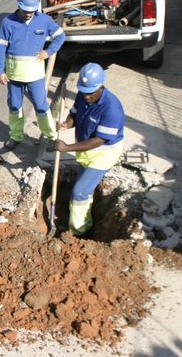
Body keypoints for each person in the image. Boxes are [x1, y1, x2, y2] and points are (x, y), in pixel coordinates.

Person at [54, 63, 125, 235]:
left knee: (79, 192)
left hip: (103, 153)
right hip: (84, 149)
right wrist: (66, 124)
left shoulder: (112, 109)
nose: (86, 97)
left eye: (91, 93)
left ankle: (80, 231)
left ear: (102, 86)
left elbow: (98, 140)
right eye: (84, 92)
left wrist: (67, 147)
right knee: (83, 188)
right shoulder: (83, 94)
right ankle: (83, 214)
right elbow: (74, 115)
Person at [0, 0, 65, 150]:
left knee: (41, 106)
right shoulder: (8, 22)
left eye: (32, 10)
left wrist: (48, 52)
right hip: (14, 75)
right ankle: (15, 136)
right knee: (14, 106)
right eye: (25, 10)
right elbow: (0, 48)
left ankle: (51, 136)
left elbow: (60, 36)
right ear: (19, 5)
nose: (28, 13)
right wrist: (0, 71)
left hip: (35, 75)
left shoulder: (44, 20)